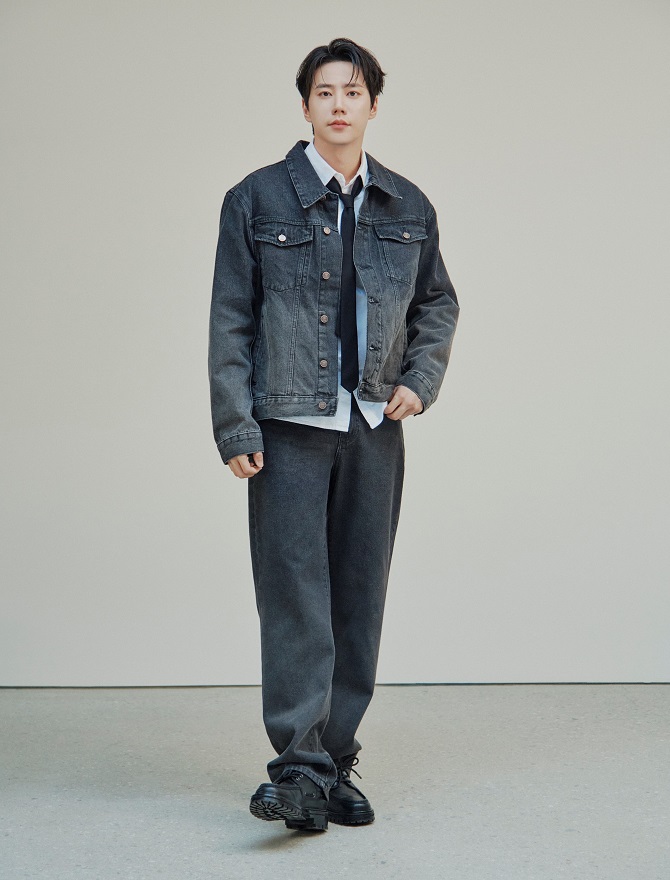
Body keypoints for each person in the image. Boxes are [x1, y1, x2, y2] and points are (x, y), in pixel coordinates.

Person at [208, 37, 459, 832]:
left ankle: (332, 762)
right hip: (287, 426)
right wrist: (235, 424)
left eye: (353, 92)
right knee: (294, 600)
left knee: (358, 597)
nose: (340, 105)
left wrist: (419, 380)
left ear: (373, 105)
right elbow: (230, 318)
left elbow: (437, 303)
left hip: (374, 425)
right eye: (325, 93)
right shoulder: (255, 199)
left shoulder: (408, 204)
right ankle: (297, 769)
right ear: (306, 105)